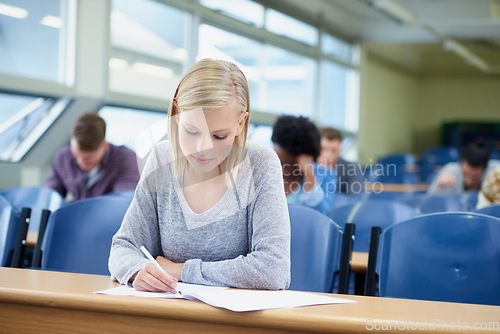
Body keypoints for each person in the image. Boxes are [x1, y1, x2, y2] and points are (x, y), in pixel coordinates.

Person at [109, 59, 290, 292]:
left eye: (219, 136)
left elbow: (273, 271)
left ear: (240, 124)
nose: (203, 148)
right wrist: (136, 270)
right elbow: (123, 247)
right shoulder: (162, 158)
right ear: (177, 114)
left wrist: (180, 270)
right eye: (191, 131)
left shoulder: (260, 164)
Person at [46, 112, 140, 201]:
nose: (80, 162)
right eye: (76, 155)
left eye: (87, 159)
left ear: (104, 145)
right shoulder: (63, 158)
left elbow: (124, 201)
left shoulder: (125, 158)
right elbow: (50, 196)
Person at [271, 115, 336, 214]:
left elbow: (322, 217)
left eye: (286, 163)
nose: (281, 167)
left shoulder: (326, 175)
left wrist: (308, 173)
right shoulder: (268, 173)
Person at [428, 139, 500, 195]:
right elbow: (430, 202)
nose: (468, 182)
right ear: (461, 163)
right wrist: (440, 186)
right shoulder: (450, 171)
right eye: (465, 174)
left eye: (475, 178)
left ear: (485, 168)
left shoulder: (496, 172)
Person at [318, 127, 365, 194]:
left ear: (340, 149)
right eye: (323, 149)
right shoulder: (306, 168)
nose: (328, 155)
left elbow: (355, 198)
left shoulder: (352, 169)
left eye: (334, 150)